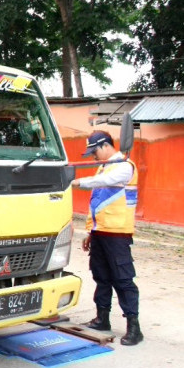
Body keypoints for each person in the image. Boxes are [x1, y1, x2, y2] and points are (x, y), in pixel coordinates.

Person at [72, 130, 143, 346]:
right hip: (100, 233)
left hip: (117, 234)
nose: (93, 156)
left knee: (122, 279)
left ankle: (134, 327)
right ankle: (102, 318)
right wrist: (89, 232)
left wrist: (76, 182)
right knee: (101, 277)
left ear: (104, 146)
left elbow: (104, 182)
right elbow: (97, 202)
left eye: (94, 151)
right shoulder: (104, 167)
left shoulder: (124, 166)